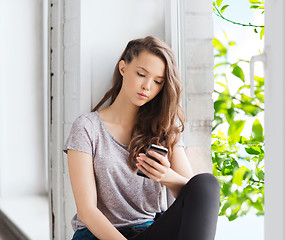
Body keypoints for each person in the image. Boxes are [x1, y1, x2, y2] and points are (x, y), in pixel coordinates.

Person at [63, 36, 220, 240]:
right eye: (141, 74)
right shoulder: (87, 127)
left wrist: (166, 176)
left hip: (149, 231)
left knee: (206, 184)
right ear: (123, 68)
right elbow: (87, 212)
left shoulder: (164, 129)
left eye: (157, 82)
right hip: (99, 236)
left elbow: (193, 195)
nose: (147, 86)